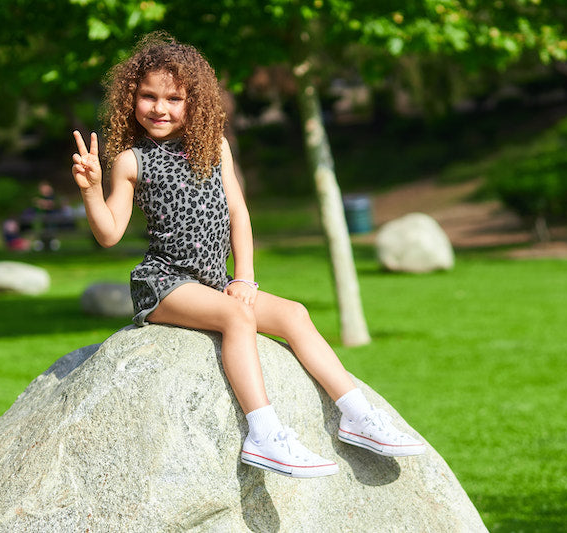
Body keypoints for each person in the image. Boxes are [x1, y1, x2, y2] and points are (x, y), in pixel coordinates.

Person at [70, 31, 425, 479]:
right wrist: (90, 190)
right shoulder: (130, 161)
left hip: (217, 282)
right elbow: (109, 233)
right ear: (130, 98)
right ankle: (264, 433)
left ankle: (357, 416)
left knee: (295, 314)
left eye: (174, 98)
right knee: (237, 319)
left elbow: (238, 211)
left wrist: (246, 278)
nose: (160, 108)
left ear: (194, 102)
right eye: (148, 96)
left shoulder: (214, 147)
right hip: (165, 284)